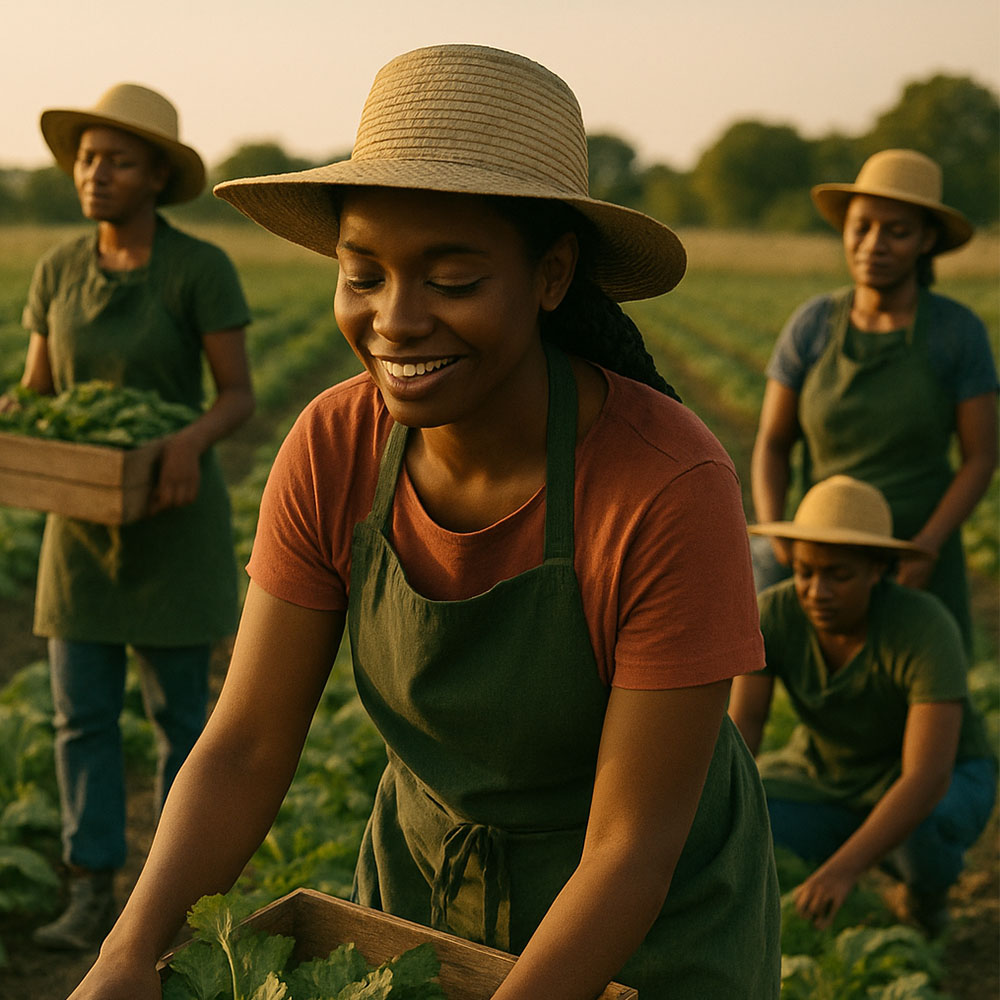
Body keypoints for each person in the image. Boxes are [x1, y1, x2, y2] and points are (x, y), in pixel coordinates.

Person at [68, 44, 780, 999]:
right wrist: (125, 955)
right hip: (425, 895)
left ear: (552, 274)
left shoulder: (665, 485)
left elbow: (629, 846)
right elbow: (245, 745)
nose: (396, 320)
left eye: (452, 281)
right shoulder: (334, 447)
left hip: (649, 924)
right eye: (363, 274)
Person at [4, 83, 254, 951]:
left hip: (174, 520)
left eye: (117, 160)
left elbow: (237, 396)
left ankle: (179, 896)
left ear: (155, 176)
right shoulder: (58, 271)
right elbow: (41, 389)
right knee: (80, 719)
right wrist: (18, 417)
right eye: (87, 158)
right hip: (81, 527)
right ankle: (90, 887)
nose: (95, 173)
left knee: (184, 721)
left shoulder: (199, 270)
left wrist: (186, 444)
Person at [750, 149, 999, 650]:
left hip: (913, 550)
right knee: (774, 664)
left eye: (897, 231)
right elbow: (772, 443)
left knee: (924, 675)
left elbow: (981, 457)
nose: (873, 245)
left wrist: (927, 547)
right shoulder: (813, 326)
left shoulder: (956, 333)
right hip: (824, 553)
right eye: (861, 227)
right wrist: (780, 538)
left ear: (926, 240)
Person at [730, 475, 996, 937]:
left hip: (941, 778)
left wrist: (841, 871)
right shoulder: (776, 614)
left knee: (926, 831)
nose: (817, 591)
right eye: (805, 572)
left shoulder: (924, 628)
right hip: (828, 776)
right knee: (744, 815)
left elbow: (927, 777)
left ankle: (925, 898)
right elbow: (745, 728)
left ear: (877, 570)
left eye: (839, 575)